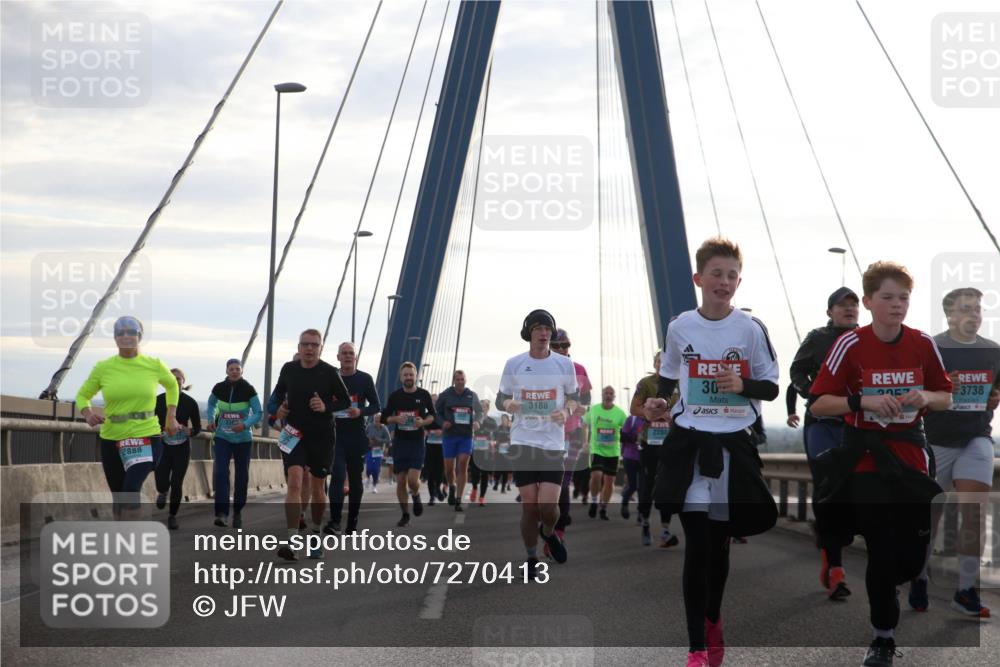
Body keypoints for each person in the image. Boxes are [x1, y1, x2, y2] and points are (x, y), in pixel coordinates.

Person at [645, 238, 780, 667]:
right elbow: (668, 379)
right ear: (698, 279)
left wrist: (743, 386)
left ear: (739, 280)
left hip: (731, 450)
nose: (724, 282)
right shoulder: (680, 326)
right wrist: (659, 403)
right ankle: (696, 647)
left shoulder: (750, 329)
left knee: (718, 549)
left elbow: (771, 387)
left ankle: (713, 617)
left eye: (732, 275)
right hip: (690, 445)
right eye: (716, 274)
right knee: (696, 546)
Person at [810, 261, 953, 667]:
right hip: (868, 459)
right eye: (887, 297)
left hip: (910, 459)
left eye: (903, 298)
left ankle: (915, 576)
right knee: (881, 550)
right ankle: (883, 637)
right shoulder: (850, 345)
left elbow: (946, 396)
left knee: (909, 554)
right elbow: (819, 402)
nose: (897, 305)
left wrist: (926, 396)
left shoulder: (923, 344)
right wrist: (862, 401)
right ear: (869, 301)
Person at [918, 287, 999, 618]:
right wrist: (940, 389)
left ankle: (965, 590)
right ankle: (919, 576)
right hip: (937, 440)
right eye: (966, 309)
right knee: (930, 516)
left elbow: (997, 389)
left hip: (976, 438)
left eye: (978, 308)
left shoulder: (993, 351)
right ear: (950, 314)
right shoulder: (933, 348)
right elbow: (915, 393)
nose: (974, 314)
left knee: (974, 514)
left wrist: (995, 398)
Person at [789, 286, 860, 600]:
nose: (849, 310)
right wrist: (811, 393)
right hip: (821, 424)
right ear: (830, 311)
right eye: (842, 305)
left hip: (854, 425)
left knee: (855, 491)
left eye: (854, 305)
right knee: (827, 490)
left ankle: (831, 539)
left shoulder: (867, 339)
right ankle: (835, 568)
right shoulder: (818, 338)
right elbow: (796, 371)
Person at [496, 309, 578, 578]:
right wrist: (510, 403)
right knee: (530, 507)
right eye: (538, 329)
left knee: (547, 507)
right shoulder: (514, 364)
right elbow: (500, 399)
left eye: (547, 329)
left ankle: (549, 532)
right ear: (529, 333)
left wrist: (565, 412)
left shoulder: (564, 366)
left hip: (553, 443)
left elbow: (574, 399)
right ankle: (531, 557)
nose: (543, 333)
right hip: (523, 441)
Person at [77, 316, 180, 513]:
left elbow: (172, 385)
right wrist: (87, 413)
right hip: (112, 437)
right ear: (115, 338)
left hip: (145, 435)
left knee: (130, 489)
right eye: (120, 333)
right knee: (118, 496)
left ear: (139, 336)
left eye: (131, 332)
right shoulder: (103, 367)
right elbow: (83, 395)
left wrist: (171, 415)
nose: (126, 336)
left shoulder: (154, 364)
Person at [271, 329, 352, 560]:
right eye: (305, 344)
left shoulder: (329, 372)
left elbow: (345, 401)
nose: (309, 348)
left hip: (322, 437)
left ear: (320, 348)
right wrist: (279, 409)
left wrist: (325, 406)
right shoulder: (289, 369)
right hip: (294, 434)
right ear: (298, 347)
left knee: (317, 489)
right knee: (295, 482)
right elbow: (277, 396)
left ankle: (316, 535)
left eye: (314, 345)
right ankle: (292, 541)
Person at [328, 342, 381, 535]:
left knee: (356, 481)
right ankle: (334, 521)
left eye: (351, 353)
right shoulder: (331, 378)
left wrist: (361, 411)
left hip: (357, 436)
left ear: (355, 357)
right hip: (335, 435)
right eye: (344, 353)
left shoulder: (365, 379)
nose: (348, 356)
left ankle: (352, 522)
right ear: (338, 357)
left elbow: (376, 406)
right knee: (338, 476)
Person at [206, 358, 262, 529]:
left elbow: (258, 412)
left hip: (243, 439)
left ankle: (237, 511)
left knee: (241, 476)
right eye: (231, 368)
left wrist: (244, 425)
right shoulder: (219, 387)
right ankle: (221, 514)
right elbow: (211, 403)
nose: (234, 371)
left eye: (237, 368)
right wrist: (210, 419)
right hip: (223, 437)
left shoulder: (248, 389)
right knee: (221, 473)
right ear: (226, 371)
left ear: (242, 371)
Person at [631, 350, 679, 548]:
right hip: (649, 442)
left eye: (666, 361)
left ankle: (666, 531)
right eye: (659, 361)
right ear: (655, 363)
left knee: (667, 484)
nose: (662, 364)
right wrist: (652, 413)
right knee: (648, 483)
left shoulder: (680, 383)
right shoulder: (646, 383)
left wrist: (674, 417)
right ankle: (645, 522)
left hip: (672, 442)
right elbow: (634, 408)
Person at [549, 328, 593, 542]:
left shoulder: (580, 370)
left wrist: (584, 408)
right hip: (545, 434)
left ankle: (560, 528)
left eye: (564, 345)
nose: (560, 349)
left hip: (571, 433)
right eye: (555, 345)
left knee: (563, 482)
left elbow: (587, 399)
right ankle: (549, 519)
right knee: (545, 483)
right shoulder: (539, 369)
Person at [381, 362, 436, 527]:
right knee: (401, 481)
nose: (408, 377)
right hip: (400, 442)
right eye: (405, 375)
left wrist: (424, 422)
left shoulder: (424, 395)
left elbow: (433, 416)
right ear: (401, 377)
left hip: (417, 442)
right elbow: (384, 417)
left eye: (411, 375)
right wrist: (395, 419)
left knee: (413, 479)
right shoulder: (395, 396)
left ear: (416, 376)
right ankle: (405, 514)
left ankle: (416, 494)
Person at [155, 368, 202, 529]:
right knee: (162, 481)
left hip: (181, 448)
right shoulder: (158, 400)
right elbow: (148, 422)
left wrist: (190, 431)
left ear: (183, 382)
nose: (175, 382)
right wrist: (159, 430)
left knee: (176, 482)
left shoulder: (190, 402)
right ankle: (162, 492)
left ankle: (172, 516)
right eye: (171, 379)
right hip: (162, 446)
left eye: (178, 379)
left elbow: (197, 428)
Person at [435, 370, 483, 512]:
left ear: (465, 380)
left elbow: (479, 412)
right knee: (449, 469)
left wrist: (478, 422)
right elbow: (435, 412)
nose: (460, 381)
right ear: (453, 380)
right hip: (449, 436)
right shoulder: (445, 395)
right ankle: (452, 486)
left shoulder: (472, 395)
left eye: (462, 379)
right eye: (457, 379)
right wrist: (442, 422)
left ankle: (458, 499)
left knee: (462, 465)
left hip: (466, 436)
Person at [583, 386, 627, 521]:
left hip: (613, 452)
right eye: (606, 393)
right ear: (602, 395)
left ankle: (603, 507)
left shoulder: (620, 413)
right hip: (597, 449)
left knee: (609, 481)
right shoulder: (594, 410)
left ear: (614, 396)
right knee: (596, 475)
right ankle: (594, 501)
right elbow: (584, 424)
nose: (608, 395)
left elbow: (626, 431)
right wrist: (585, 442)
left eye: (611, 394)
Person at [470, 399, 497, 505]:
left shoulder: (491, 421)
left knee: (485, 474)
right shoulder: (473, 419)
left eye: (484, 407)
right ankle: (474, 488)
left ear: (487, 408)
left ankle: (481, 498)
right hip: (475, 449)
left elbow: (495, 435)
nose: (482, 408)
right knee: (474, 472)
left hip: (486, 451)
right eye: (480, 407)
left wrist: (493, 442)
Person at [620, 413, 642, 520]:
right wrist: (636, 438)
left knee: (643, 488)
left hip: (646, 458)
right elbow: (623, 436)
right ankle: (624, 504)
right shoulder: (632, 419)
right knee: (633, 485)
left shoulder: (654, 420)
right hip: (630, 456)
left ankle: (641, 513)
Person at [366, 416, 391, 492]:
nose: (377, 422)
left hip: (378, 450)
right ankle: (368, 478)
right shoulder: (370, 426)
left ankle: (374, 486)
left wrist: (379, 440)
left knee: (376, 469)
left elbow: (388, 440)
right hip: (369, 449)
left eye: (378, 421)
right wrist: (368, 439)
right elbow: (363, 435)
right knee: (369, 468)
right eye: (375, 421)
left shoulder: (384, 428)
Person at [493, 414, 512, 492]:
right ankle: (496, 483)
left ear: (508, 420)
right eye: (502, 419)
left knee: (505, 470)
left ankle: (503, 487)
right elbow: (493, 438)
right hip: (499, 451)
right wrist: (495, 442)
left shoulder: (510, 429)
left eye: (505, 419)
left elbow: (514, 439)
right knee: (498, 469)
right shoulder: (498, 428)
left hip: (508, 452)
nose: (503, 420)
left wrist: (510, 442)